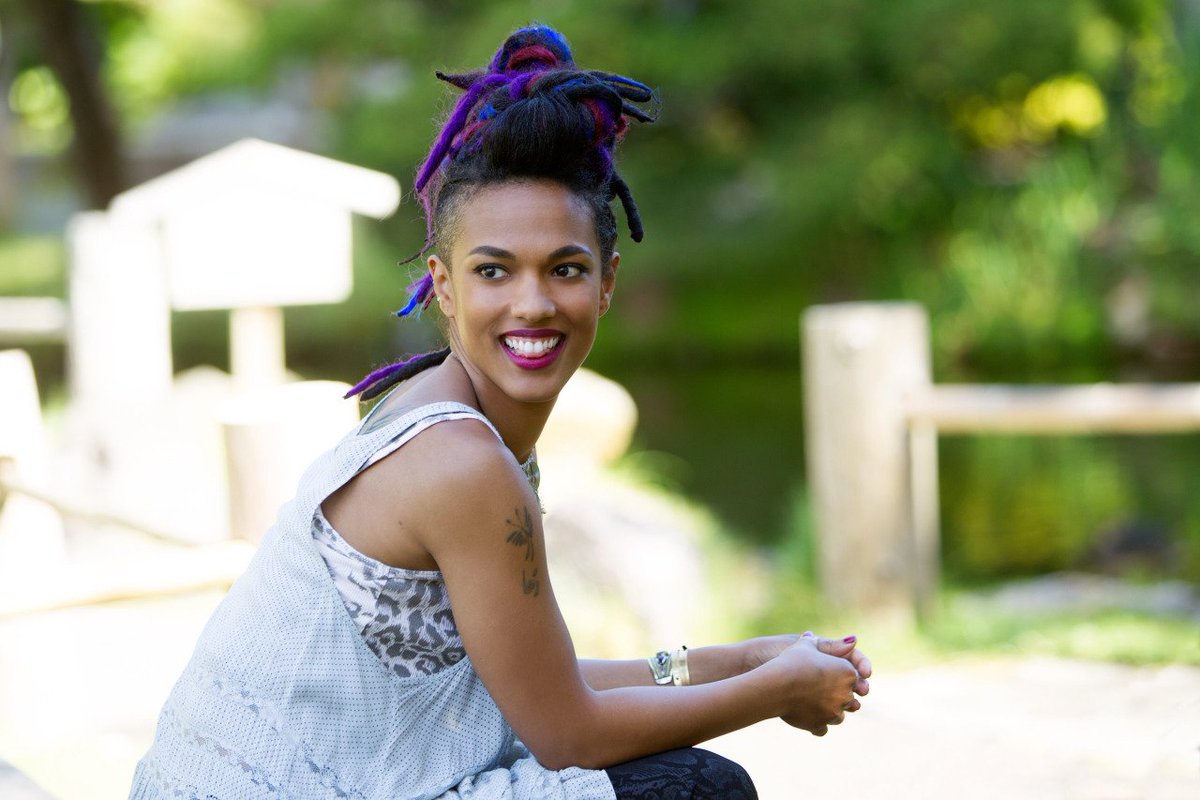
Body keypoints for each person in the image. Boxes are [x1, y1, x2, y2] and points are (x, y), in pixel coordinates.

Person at [130, 25, 871, 800]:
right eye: (494, 272)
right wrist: (775, 691)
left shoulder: (444, 414)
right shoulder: (461, 463)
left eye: (565, 269)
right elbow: (567, 733)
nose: (533, 303)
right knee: (694, 787)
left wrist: (742, 660)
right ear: (444, 285)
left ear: (607, 283)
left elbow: (535, 685)